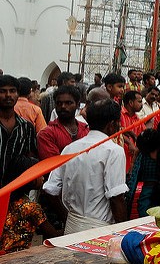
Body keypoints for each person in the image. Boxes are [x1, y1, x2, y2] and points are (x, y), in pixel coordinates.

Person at [43, 99, 128, 234]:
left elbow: (50, 190)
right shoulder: (113, 150)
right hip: (100, 230)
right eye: (118, 123)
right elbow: (116, 197)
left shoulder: (70, 148)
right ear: (112, 124)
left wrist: (68, 217)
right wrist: (124, 233)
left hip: (72, 227)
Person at [0, 155, 61, 254]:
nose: (42, 177)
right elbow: (53, 234)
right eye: (38, 174)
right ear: (28, 178)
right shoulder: (30, 207)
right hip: (18, 258)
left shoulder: (5, 198)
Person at [0, 75, 38, 187]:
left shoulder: (26, 127)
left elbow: (31, 157)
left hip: (15, 192)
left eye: (12, 91)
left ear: (18, 94)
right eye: (3, 91)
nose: (8, 95)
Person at [37, 85, 89, 160]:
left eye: (68, 103)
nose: (63, 106)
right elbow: (54, 165)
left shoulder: (85, 129)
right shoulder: (46, 134)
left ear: (77, 105)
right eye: (59, 103)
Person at [120, 90, 146, 172]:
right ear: (131, 103)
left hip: (132, 158)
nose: (141, 105)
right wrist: (130, 143)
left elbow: (143, 133)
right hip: (121, 156)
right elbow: (118, 132)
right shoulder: (120, 115)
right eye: (139, 102)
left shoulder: (137, 118)